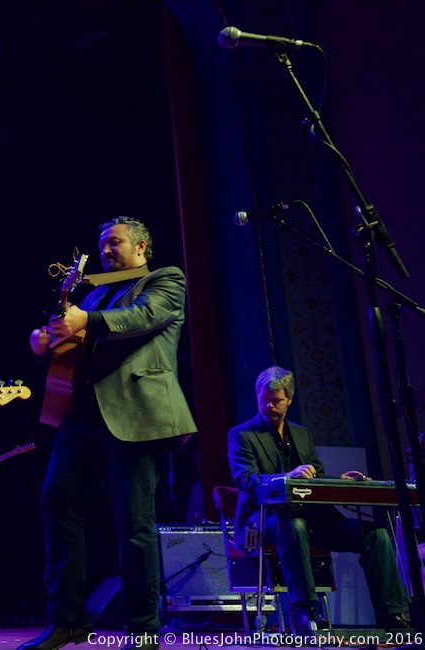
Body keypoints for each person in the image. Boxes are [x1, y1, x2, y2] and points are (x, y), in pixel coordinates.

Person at [22, 216, 196, 650]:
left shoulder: (165, 279)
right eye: (102, 245)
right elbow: (68, 341)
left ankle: (143, 630)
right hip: (81, 417)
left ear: (140, 248)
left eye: (114, 243)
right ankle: (67, 621)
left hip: (137, 414)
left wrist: (85, 320)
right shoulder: (95, 293)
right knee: (56, 502)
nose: (106, 250)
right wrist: (44, 340)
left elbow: (145, 316)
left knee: (133, 524)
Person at [227, 365, 410, 632]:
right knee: (294, 525)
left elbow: (315, 477)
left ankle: (394, 615)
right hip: (265, 521)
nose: (269, 405)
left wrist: (340, 481)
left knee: (376, 535)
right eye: (263, 399)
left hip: (311, 518)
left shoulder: (301, 434)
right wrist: (288, 476)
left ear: (289, 399)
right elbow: (246, 480)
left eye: (276, 400)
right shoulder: (242, 435)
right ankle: (307, 613)